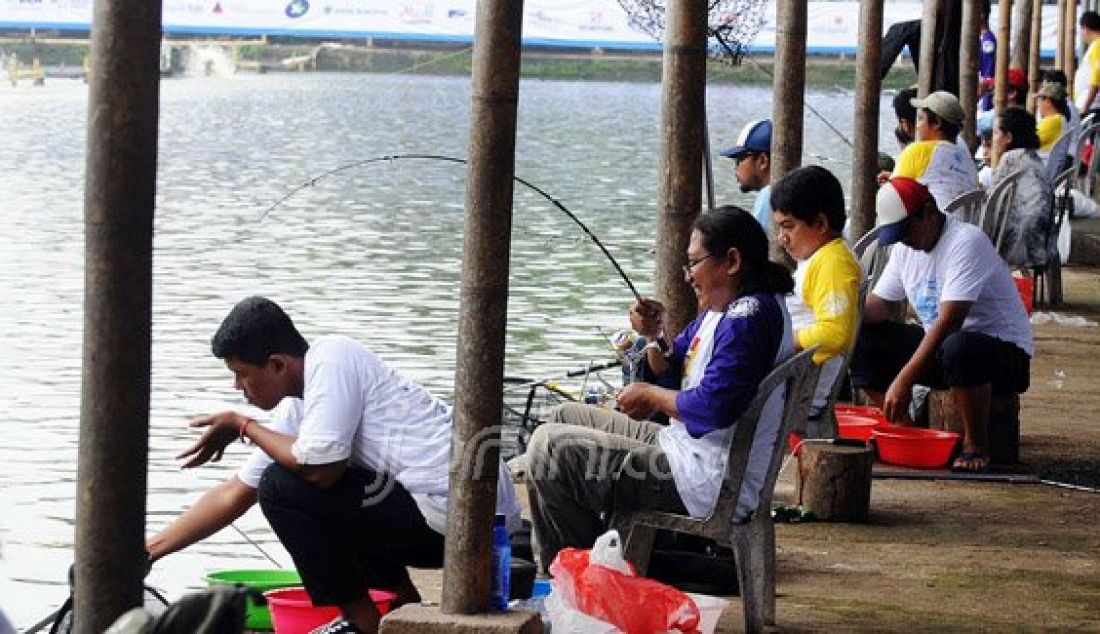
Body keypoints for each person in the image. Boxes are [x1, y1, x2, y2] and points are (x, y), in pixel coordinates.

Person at [145, 296, 522, 634]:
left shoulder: (333, 358)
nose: (237, 387)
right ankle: (402, 611)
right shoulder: (302, 404)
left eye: (241, 374)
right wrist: (148, 552)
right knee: (310, 487)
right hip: (450, 518)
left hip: (468, 523)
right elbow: (235, 493)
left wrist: (244, 425)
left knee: (284, 487)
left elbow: (321, 469)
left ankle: (364, 622)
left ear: (276, 364)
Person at [525, 206, 794, 571]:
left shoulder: (748, 318)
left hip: (706, 478)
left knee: (552, 450)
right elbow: (672, 371)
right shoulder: (723, 309)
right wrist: (653, 338)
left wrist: (650, 396)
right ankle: (591, 563)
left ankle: (583, 576)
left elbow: (713, 408)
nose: (688, 277)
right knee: (561, 416)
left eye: (694, 263)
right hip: (687, 450)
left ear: (731, 261)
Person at [850, 178, 1032, 473]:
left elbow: (950, 322)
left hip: (1001, 355)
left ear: (928, 211)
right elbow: (880, 305)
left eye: (906, 230)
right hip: (945, 351)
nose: (904, 240)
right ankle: (906, 430)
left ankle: (975, 444)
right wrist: (845, 311)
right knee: (862, 339)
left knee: (959, 345)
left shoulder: (966, 241)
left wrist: (905, 378)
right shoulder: (904, 250)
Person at [770, 166, 862, 422]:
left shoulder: (833, 262)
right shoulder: (821, 256)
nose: (782, 238)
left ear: (820, 223)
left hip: (797, 392)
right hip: (791, 383)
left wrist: (779, 339)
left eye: (788, 227)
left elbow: (835, 335)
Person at [989, 107, 1054, 269]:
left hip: (1020, 245)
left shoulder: (1011, 159)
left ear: (1009, 137)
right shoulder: (1032, 157)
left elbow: (991, 202)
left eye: (996, 133)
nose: (993, 139)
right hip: (1044, 242)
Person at [892, 91, 979, 210]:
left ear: (937, 123)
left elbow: (893, 196)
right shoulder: (967, 158)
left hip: (935, 225)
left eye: (921, 119)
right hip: (966, 224)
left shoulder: (917, 151)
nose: (918, 126)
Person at [720, 119, 773, 230]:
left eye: (739, 159)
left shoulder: (768, 195)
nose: (736, 168)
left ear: (762, 161)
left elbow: (755, 245)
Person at [1035, 81, 1070, 162]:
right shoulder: (1059, 118)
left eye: (1040, 100)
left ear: (1048, 101)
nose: (1038, 104)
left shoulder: (1052, 121)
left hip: (1041, 169)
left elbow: (1026, 142)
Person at [1075, 11, 1100, 115]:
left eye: (1080, 29)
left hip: (1092, 106)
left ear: (1085, 28)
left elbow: (1095, 79)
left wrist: (1086, 106)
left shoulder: (1098, 46)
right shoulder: (1095, 46)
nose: (1081, 34)